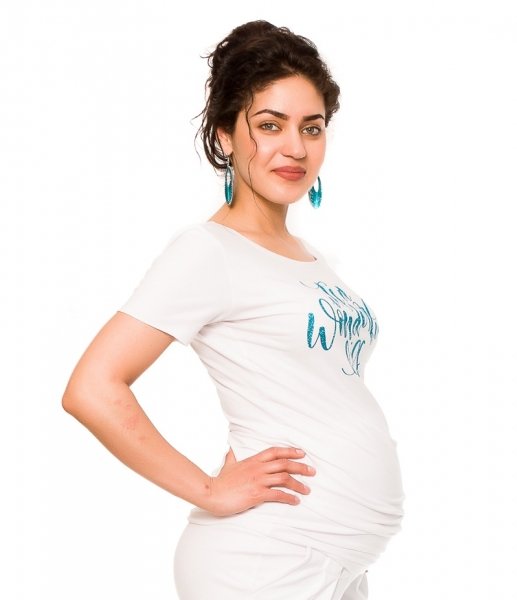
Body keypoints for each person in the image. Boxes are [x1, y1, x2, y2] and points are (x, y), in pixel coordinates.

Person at [62, 20, 405, 600]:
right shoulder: (208, 251)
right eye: (270, 125)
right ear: (225, 136)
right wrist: (209, 489)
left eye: (312, 127)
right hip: (265, 557)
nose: (295, 147)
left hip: (336, 558)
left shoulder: (310, 256)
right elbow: (92, 388)